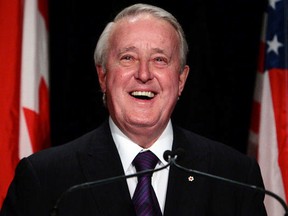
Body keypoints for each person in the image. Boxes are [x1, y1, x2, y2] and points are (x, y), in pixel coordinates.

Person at [0, 3, 267, 216]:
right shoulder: (46, 179)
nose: (143, 74)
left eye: (159, 60)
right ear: (103, 76)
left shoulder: (234, 178)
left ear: (181, 80)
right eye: (128, 57)